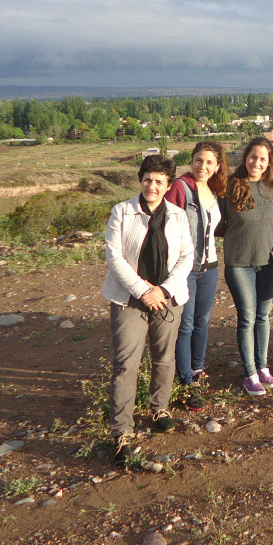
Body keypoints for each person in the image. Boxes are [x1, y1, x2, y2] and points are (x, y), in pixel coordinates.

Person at [103, 154, 194, 465]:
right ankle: (121, 430)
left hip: (166, 297)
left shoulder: (179, 216)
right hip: (129, 299)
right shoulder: (123, 212)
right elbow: (114, 258)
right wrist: (143, 290)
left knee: (164, 357)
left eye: (159, 182)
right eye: (147, 180)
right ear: (140, 179)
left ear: (168, 185)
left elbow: (186, 257)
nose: (151, 186)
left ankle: (160, 408)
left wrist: (163, 290)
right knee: (126, 363)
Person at [165, 141, 228, 411]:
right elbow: (165, 223)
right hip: (186, 267)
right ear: (192, 161)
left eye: (209, 162)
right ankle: (185, 381)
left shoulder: (214, 189)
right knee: (186, 324)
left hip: (210, 266)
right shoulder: (181, 187)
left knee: (202, 322)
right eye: (199, 160)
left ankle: (199, 370)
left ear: (217, 166)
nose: (203, 166)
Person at [218, 137, 273, 396]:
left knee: (263, 316)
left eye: (262, 159)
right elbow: (218, 222)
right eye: (253, 157)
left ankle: (263, 367)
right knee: (247, 318)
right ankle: (250, 373)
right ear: (245, 158)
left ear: (269, 163)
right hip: (240, 263)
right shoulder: (231, 186)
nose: (257, 162)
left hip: (268, 263)